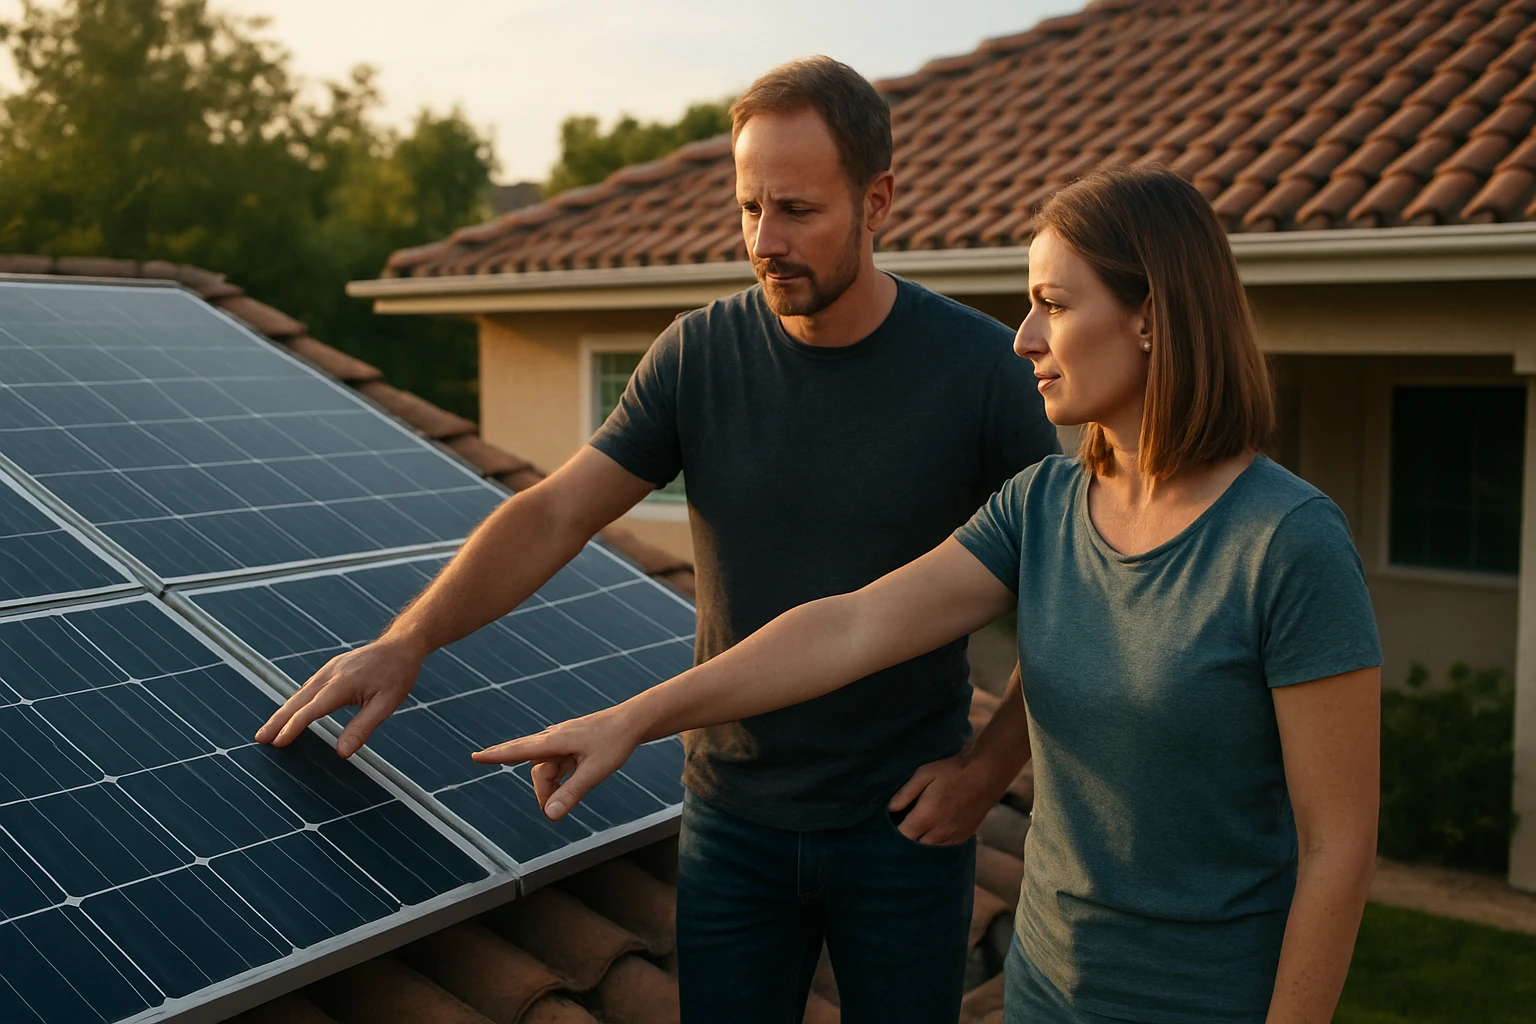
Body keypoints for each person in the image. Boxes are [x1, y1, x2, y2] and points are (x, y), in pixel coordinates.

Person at [475, 166, 1383, 1024]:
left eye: (1053, 306)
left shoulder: (1286, 543)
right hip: (1045, 989)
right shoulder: (1045, 507)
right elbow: (849, 625)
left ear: (1152, 318)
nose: (1023, 337)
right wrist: (632, 719)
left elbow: (1336, 848)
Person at [256, 56, 1059, 1023]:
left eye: (797, 210)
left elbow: (1066, 599)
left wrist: (988, 770)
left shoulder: (980, 372)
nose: (767, 240)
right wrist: (409, 640)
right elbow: (555, 511)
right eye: (749, 207)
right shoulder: (698, 355)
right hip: (731, 822)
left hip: (904, 829)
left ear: (877, 200)